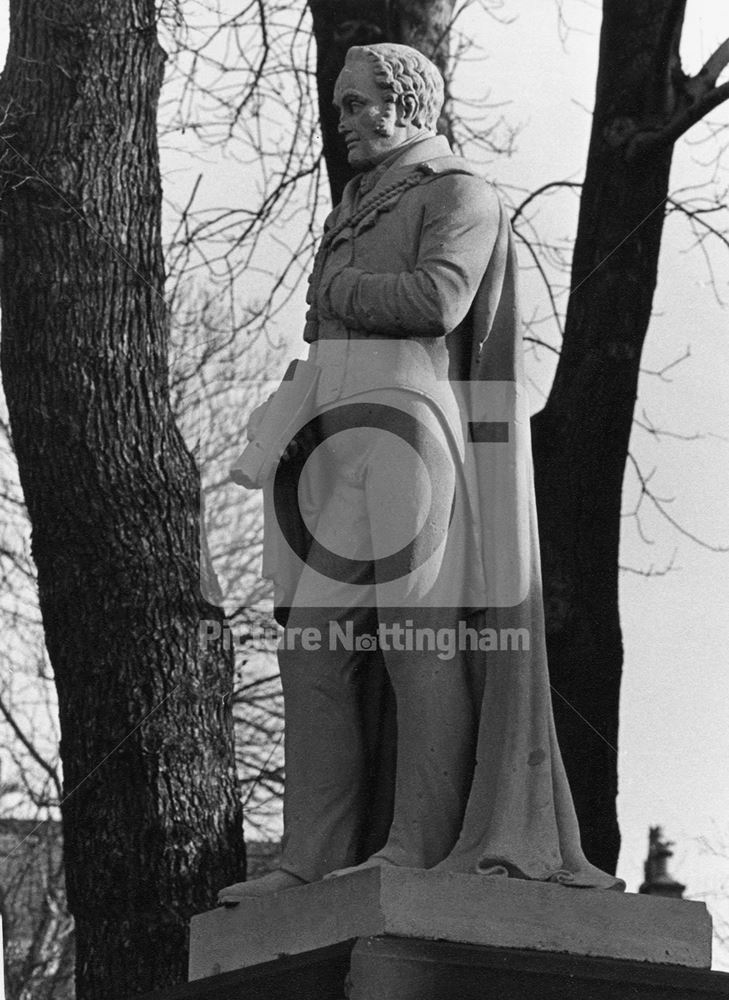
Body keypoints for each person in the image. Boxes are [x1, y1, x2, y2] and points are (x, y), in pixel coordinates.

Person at [218, 43, 623, 904]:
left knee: (416, 637)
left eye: (356, 104)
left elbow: (438, 300)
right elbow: (327, 325)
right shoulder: (358, 202)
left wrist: (340, 290)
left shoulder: (457, 191)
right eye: (338, 108)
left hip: (412, 425)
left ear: (402, 101)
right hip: (330, 437)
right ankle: (309, 858)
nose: (344, 121)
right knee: (312, 653)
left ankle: (416, 845)